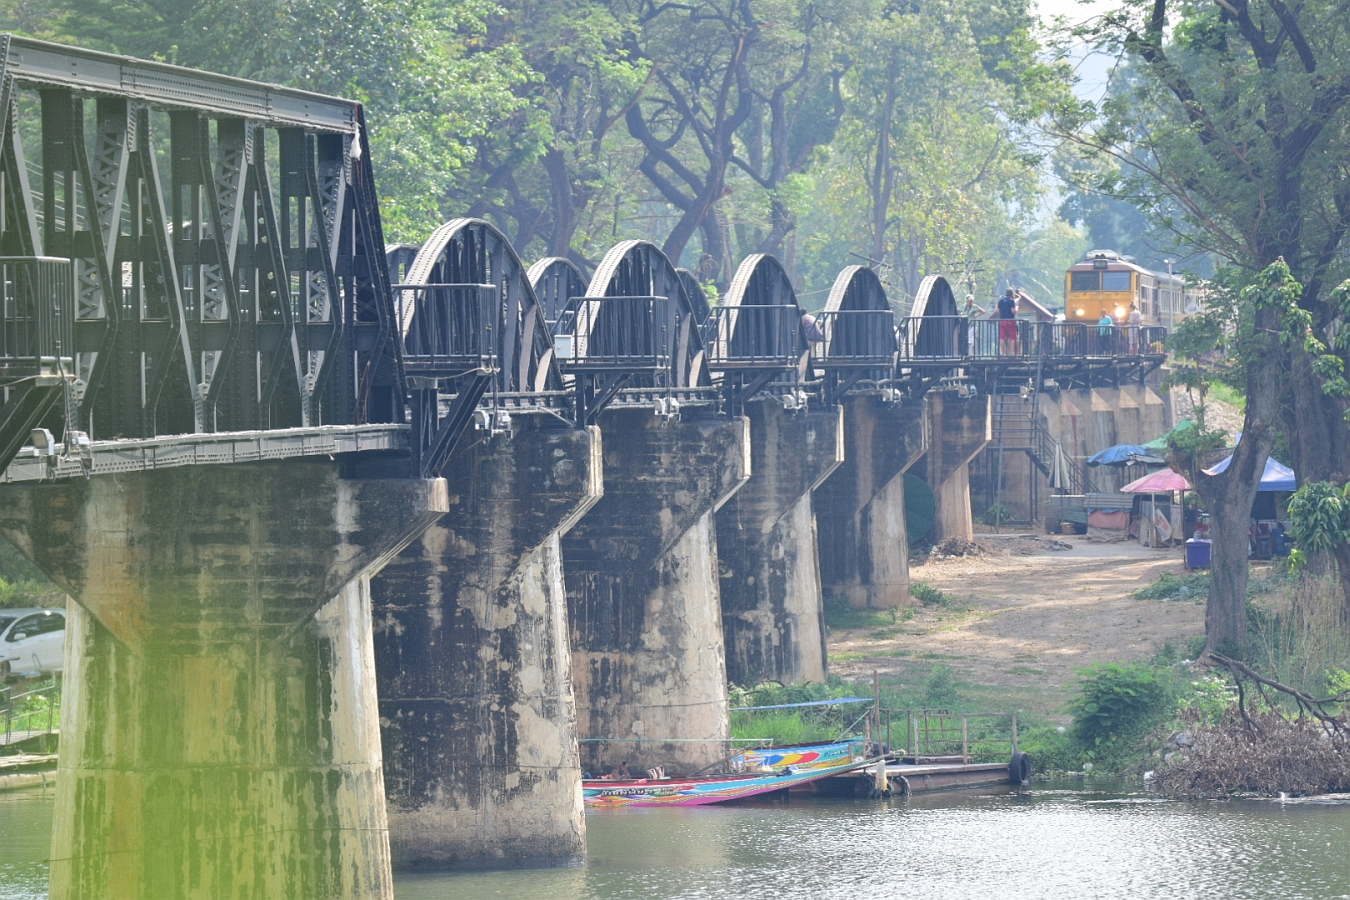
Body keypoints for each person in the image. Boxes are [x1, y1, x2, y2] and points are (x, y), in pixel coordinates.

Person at [996, 288, 1018, 356]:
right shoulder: (1012, 301)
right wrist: (1017, 308)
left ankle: (1003, 353)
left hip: (1002, 321)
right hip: (1010, 321)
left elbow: (998, 311)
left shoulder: (1001, 301)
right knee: (1012, 337)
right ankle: (1011, 353)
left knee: (1002, 338)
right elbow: (1013, 311)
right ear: (1012, 294)